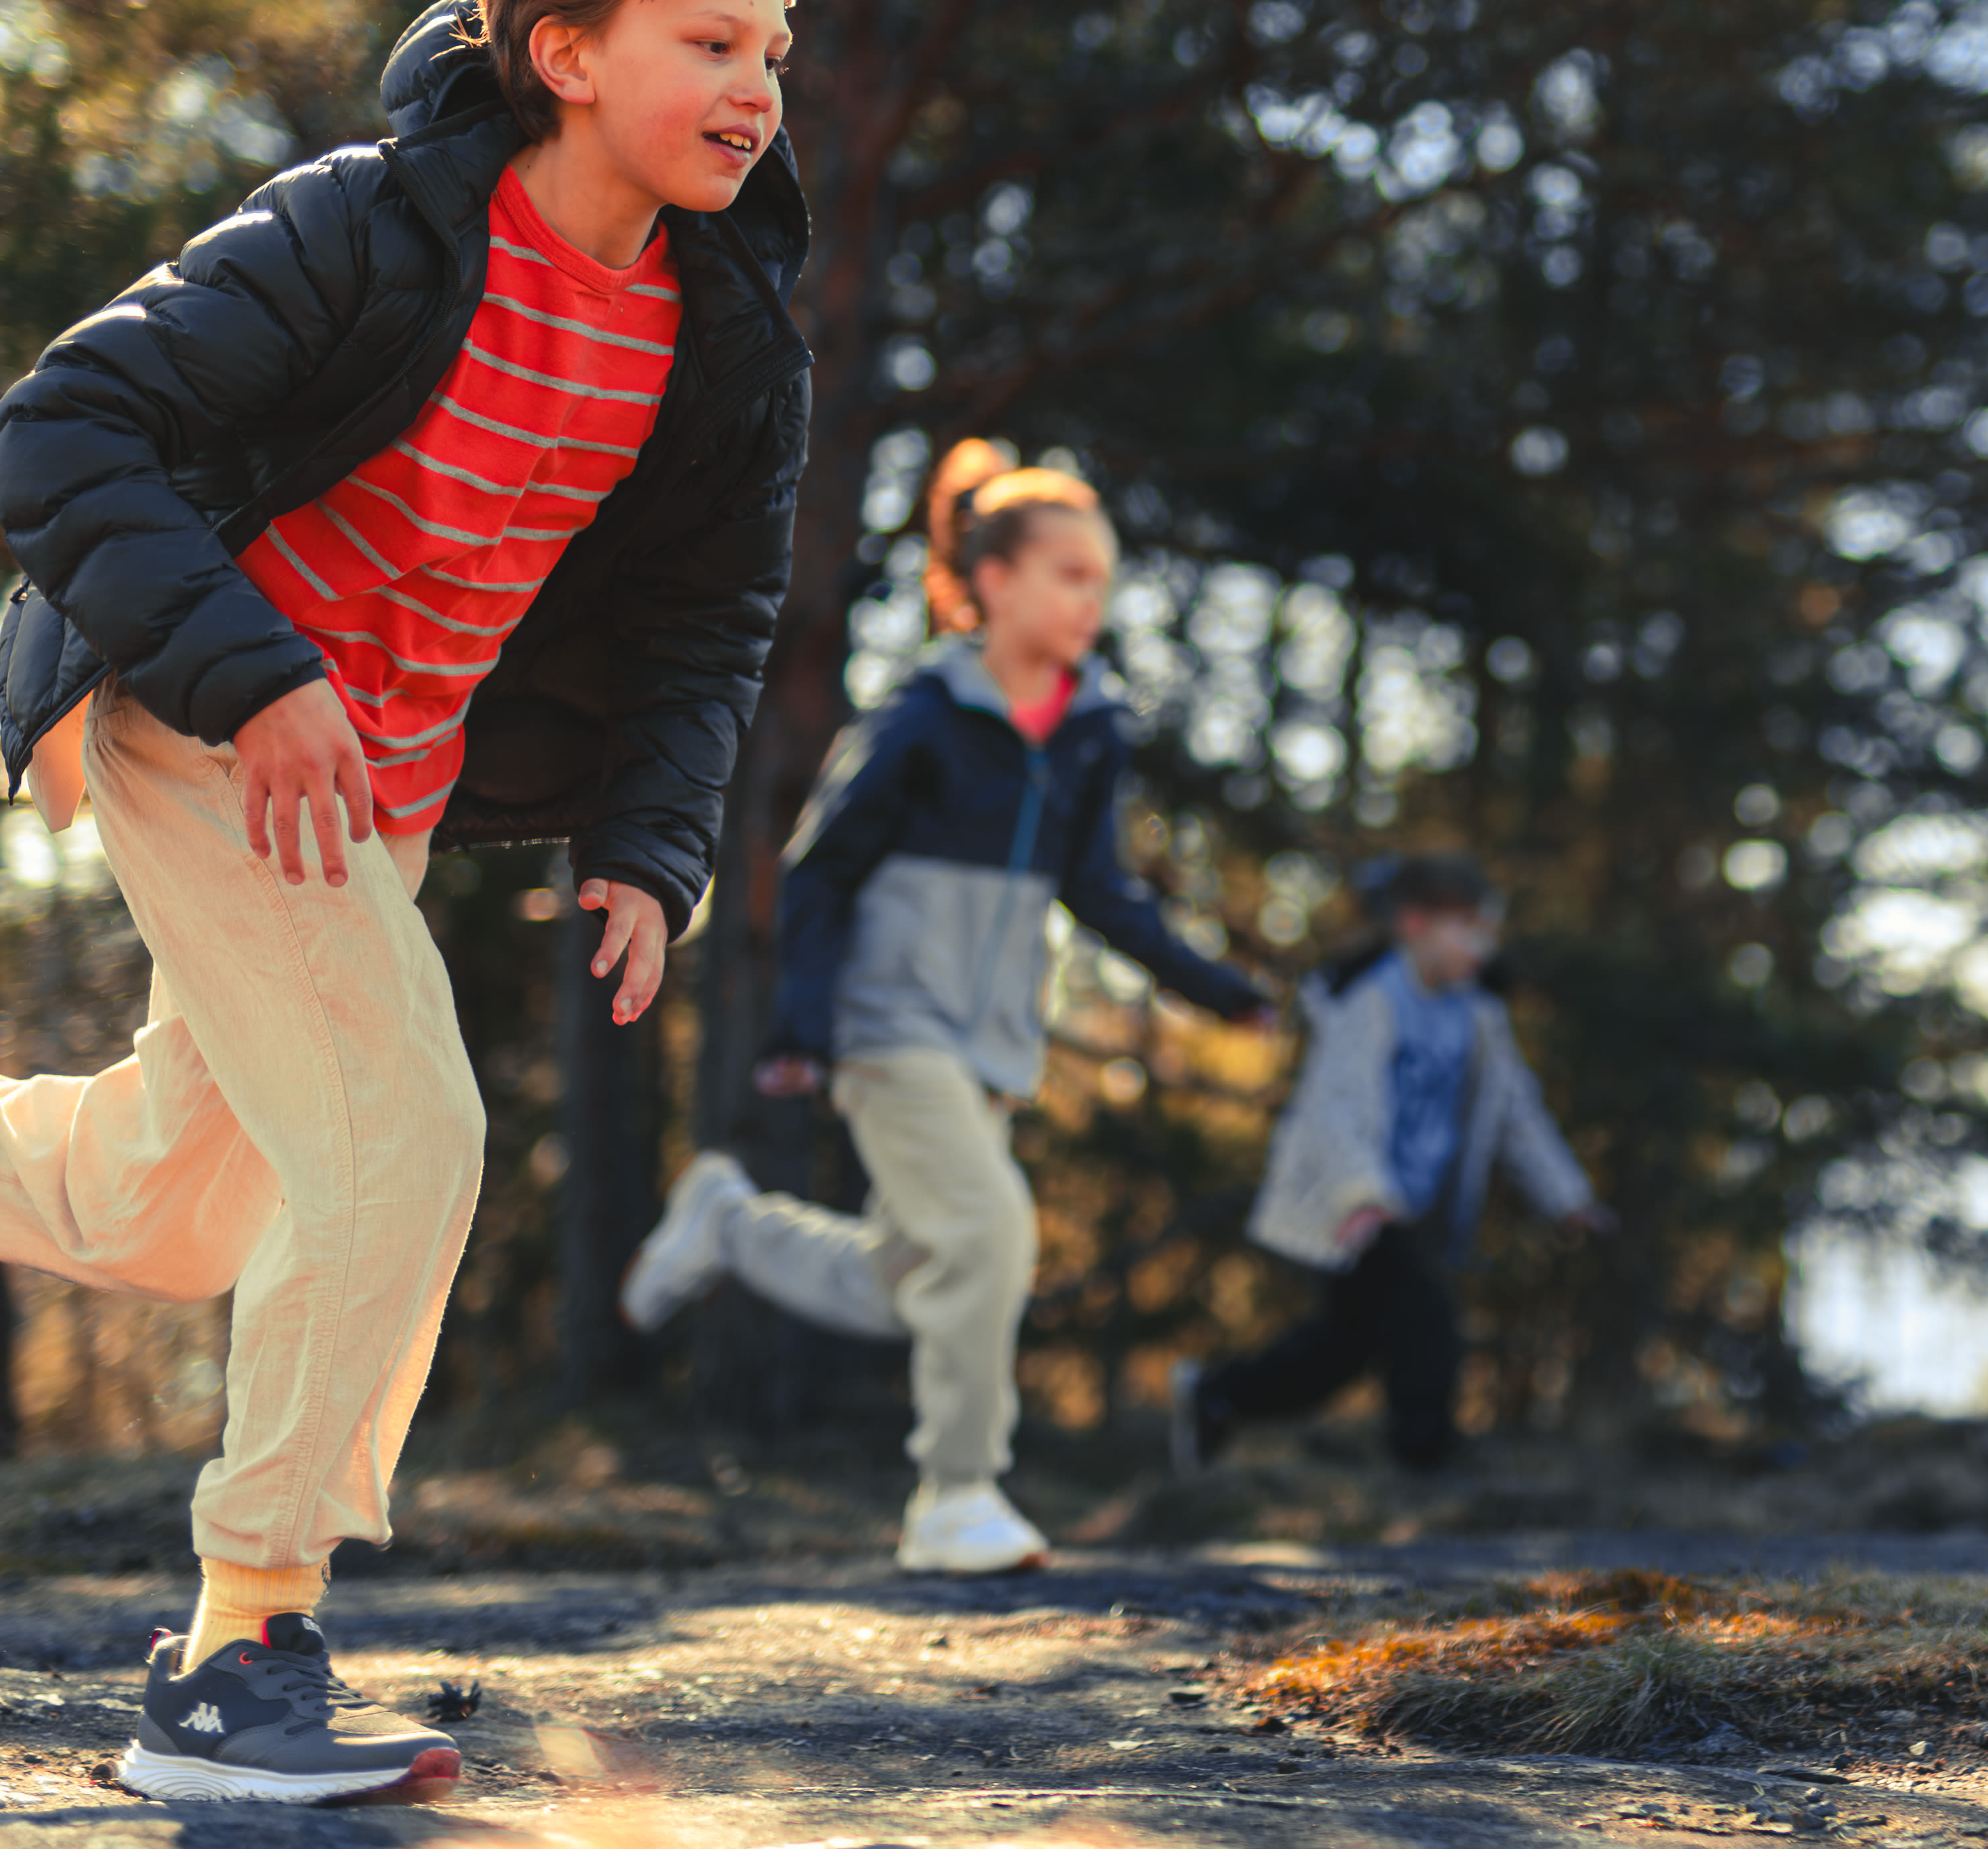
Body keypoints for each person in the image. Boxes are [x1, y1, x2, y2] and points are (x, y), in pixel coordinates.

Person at [0, 0, 826, 1807]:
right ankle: (237, 1656)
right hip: (213, 734)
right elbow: (63, 431)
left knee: (166, 1206)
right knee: (403, 1132)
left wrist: (652, 842)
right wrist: (257, 672)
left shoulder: (720, 337)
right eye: (710, 43)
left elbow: (709, 616)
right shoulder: (371, 226)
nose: (756, 87)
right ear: (565, 51)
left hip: (381, 793)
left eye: (774, 49)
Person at [618, 442, 1271, 1573]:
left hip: (991, 1046)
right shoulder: (920, 722)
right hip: (889, 1025)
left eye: (1102, 580)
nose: (1090, 600)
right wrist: (804, 1029)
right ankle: (955, 1495)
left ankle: (730, 1221)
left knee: (910, 1280)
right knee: (990, 1232)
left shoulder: (1087, 733)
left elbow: (1102, 889)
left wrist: (1215, 986)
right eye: (1068, 572)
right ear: (995, 579)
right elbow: (818, 877)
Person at [1170, 854, 1611, 1476]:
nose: (1480, 947)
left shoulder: (1478, 1014)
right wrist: (1363, 1194)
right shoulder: (1369, 999)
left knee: (1342, 1349)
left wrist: (1567, 1196)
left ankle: (1219, 1394)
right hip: (1363, 1203)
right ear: (1413, 925)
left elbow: (1517, 1112)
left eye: (1486, 932)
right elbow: (1336, 1108)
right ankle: (1429, 1462)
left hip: (1420, 1204)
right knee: (1427, 1319)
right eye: (1466, 930)